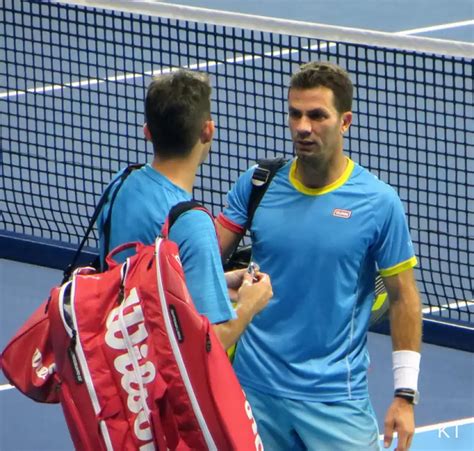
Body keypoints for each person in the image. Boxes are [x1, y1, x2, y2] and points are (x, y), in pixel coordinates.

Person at [216, 61, 422, 451]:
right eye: (295, 114)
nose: (302, 127)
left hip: (334, 400)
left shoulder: (378, 203)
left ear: (345, 122)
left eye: (316, 115)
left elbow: (403, 297)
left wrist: (404, 394)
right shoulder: (259, 183)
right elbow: (202, 262)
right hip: (252, 392)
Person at [97, 69, 273, 350]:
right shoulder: (192, 223)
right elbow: (206, 347)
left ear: (147, 132)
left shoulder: (121, 183)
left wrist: (218, 280)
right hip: (156, 380)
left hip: (113, 356)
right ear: (208, 130)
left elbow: (138, 279)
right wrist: (250, 306)